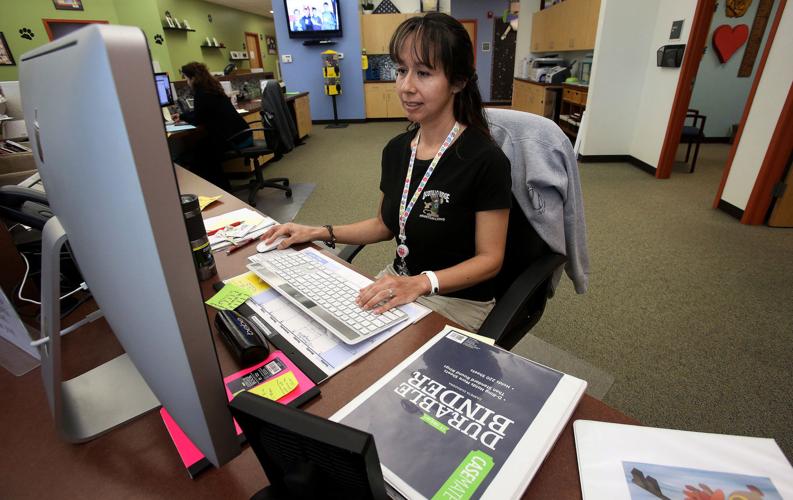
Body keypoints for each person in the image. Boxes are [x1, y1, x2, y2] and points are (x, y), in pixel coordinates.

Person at [260, 13, 511, 332]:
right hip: (401, 281)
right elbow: (384, 224)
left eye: (423, 73)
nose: (406, 87)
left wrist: (421, 283)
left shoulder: (486, 159)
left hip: (457, 299)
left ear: (458, 81)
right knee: (324, 328)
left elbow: (490, 260)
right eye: (402, 70)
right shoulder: (396, 149)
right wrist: (317, 231)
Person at [172, 62, 252, 190]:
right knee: (203, 149)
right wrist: (182, 116)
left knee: (200, 154)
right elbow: (202, 112)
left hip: (235, 139)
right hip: (242, 134)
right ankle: (222, 187)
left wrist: (182, 116)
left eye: (186, 78)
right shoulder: (213, 88)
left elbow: (198, 118)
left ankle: (218, 189)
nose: (187, 82)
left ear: (193, 78)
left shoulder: (201, 94)